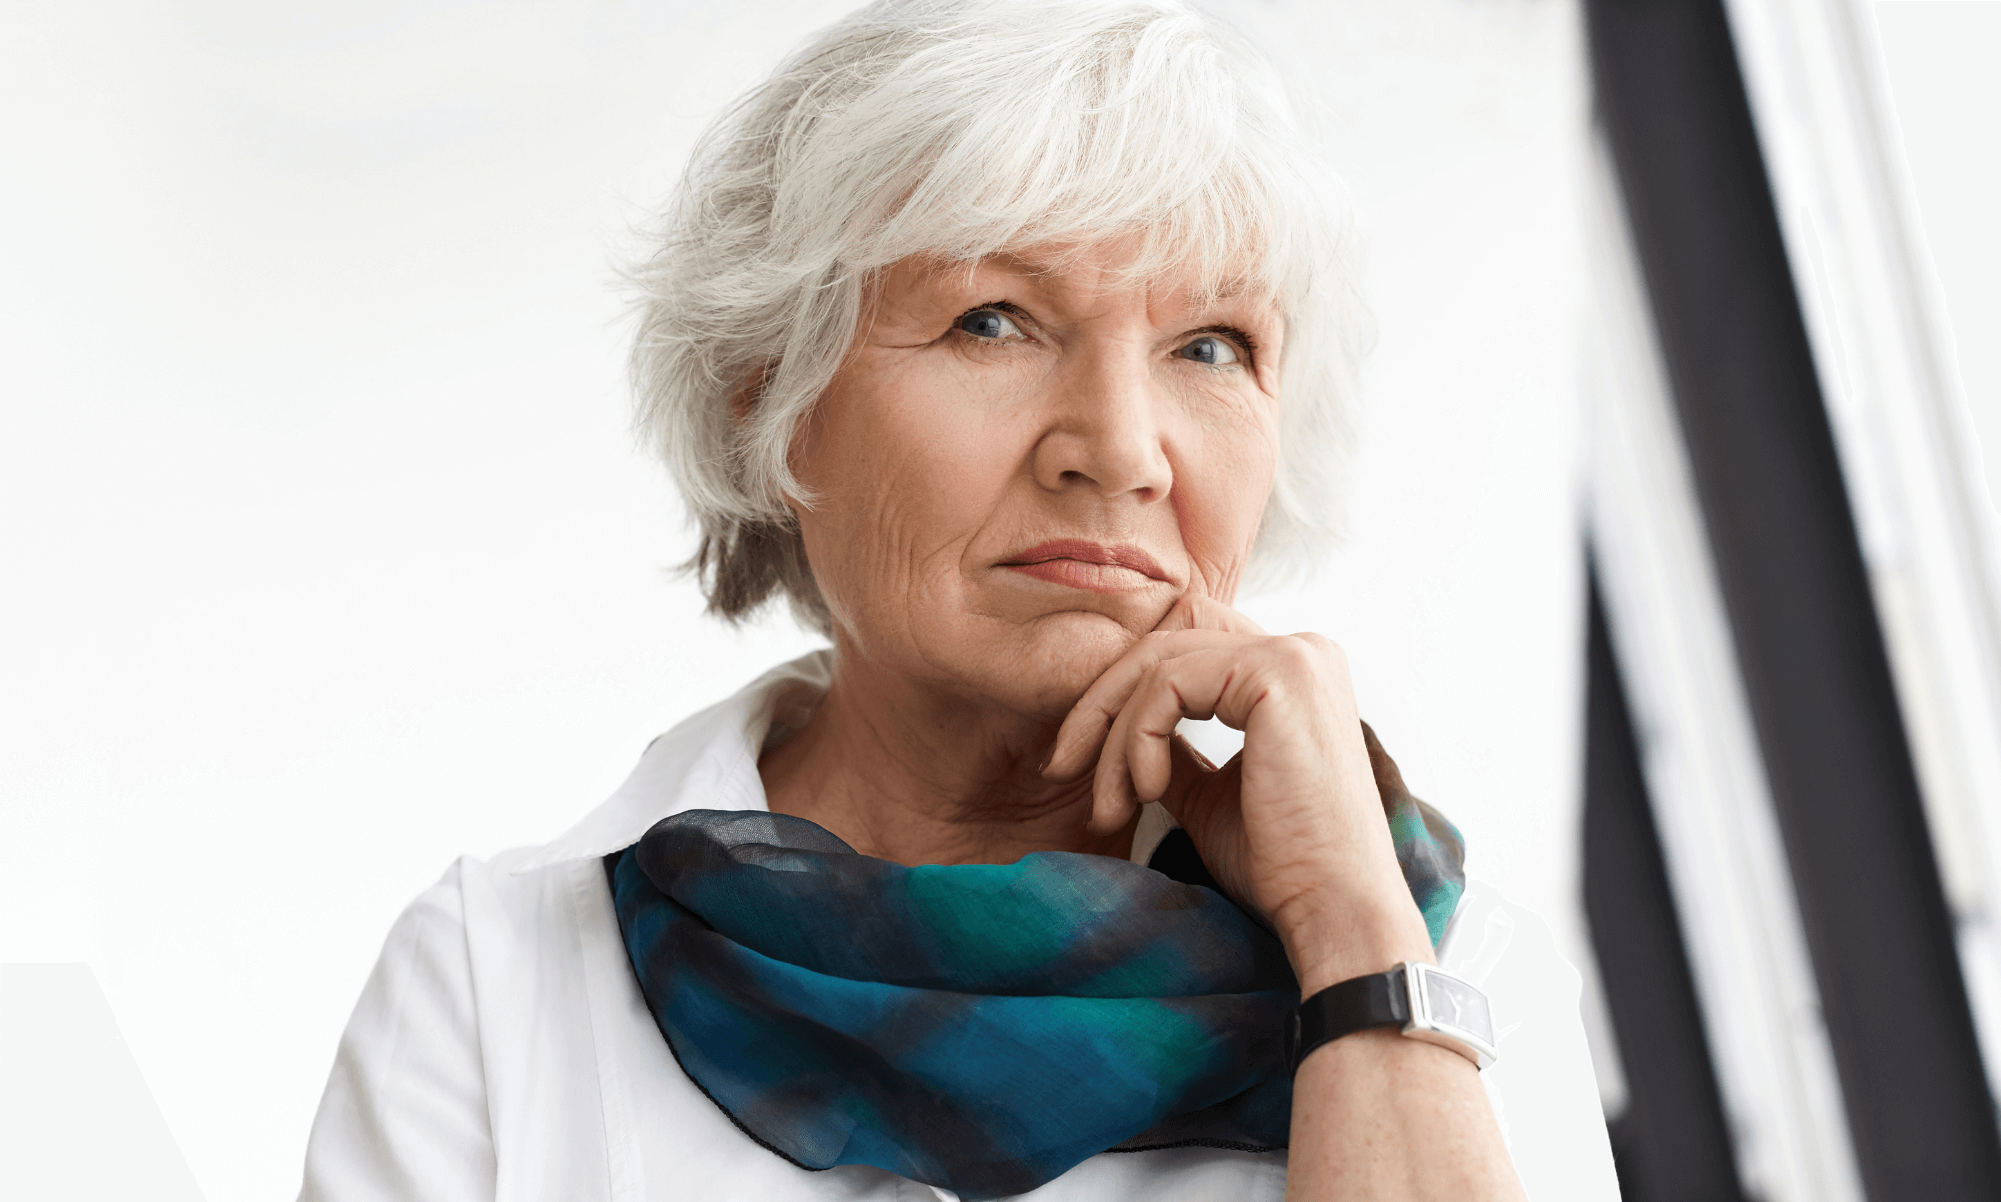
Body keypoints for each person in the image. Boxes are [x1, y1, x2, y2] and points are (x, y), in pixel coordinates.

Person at [299, 1, 1616, 1199]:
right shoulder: (495, 983)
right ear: (775, 400)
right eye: (993, 319)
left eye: (1210, 345)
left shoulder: (1466, 979)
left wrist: (1354, 939)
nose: (1122, 449)